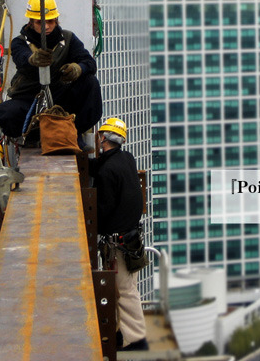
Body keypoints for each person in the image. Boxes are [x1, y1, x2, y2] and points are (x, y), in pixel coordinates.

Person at [0, 0, 102, 141]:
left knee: (90, 82)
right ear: (31, 22)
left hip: (60, 96)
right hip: (29, 97)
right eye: (40, 22)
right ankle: (34, 136)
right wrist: (33, 60)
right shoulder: (20, 42)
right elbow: (22, 59)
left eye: (50, 21)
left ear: (56, 20)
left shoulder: (68, 39)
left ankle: (71, 132)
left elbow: (89, 62)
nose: (46, 26)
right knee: (7, 114)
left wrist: (78, 69)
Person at [91, 118, 149, 351]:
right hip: (130, 238)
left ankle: (136, 339)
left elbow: (103, 208)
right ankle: (120, 333)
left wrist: (95, 228)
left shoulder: (108, 171)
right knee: (119, 289)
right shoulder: (126, 159)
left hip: (119, 242)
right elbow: (103, 165)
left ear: (103, 138)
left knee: (124, 291)